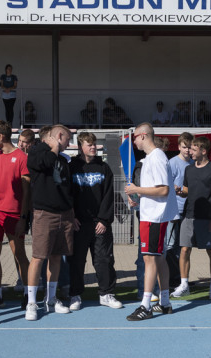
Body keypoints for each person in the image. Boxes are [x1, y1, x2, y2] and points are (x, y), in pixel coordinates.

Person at [124, 123, 177, 320]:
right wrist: (137, 197)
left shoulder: (156, 158)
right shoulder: (151, 159)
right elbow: (155, 189)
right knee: (158, 258)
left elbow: (163, 190)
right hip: (152, 214)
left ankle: (145, 305)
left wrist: (137, 190)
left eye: (135, 137)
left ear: (144, 135)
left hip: (154, 216)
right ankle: (164, 302)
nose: (134, 141)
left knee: (150, 259)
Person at [25, 124, 76, 320]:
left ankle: (51, 299)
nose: (68, 144)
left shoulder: (62, 159)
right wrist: (54, 147)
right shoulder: (38, 151)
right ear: (59, 136)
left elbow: (67, 188)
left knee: (56, 257)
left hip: (64, 214)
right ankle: (31, 303)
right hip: (44, 213)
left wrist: (71, 212)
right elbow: (43, 164)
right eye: (67, 139)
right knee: (38, 257)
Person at [69, 131, 122, 309]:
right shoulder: (72, 167)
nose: (93, 147)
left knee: (104, 260)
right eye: (89, 144)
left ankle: (106, 294)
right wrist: (72, 216)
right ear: (80, 147)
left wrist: (104, 220)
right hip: (78, 224)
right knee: (77, 261)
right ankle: (75, 294)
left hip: (99, 224)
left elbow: (108, 196)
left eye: (94, 144)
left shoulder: (104, 167)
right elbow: (67, 194)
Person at [173, 136, 211, 300]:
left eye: (193, 149)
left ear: (203, 151)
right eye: (189, 149)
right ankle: (184, 285)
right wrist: (180, 191)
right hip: (189, 216)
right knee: (184, 249)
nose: (190, 152)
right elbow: (188, 190)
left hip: (207, 218)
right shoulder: (189, 169)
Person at [0, 120, 30, 310]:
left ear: (1, 136)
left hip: (14, 215)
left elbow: (28, 192)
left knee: (19, 254)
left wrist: (23, 217)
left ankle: (29, 293)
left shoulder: (21, 157)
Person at [166, 133, 193, 293]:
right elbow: (166, 185)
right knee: (170, 245)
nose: (187, 150)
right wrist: (175, 189)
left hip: (187, 210)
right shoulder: (173, 163)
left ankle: (181, 279)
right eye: (184, 147)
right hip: (173, 210)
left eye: (190, 147)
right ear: (179, 147)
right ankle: (171, 278)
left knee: (183, 247)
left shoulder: (193, 163)